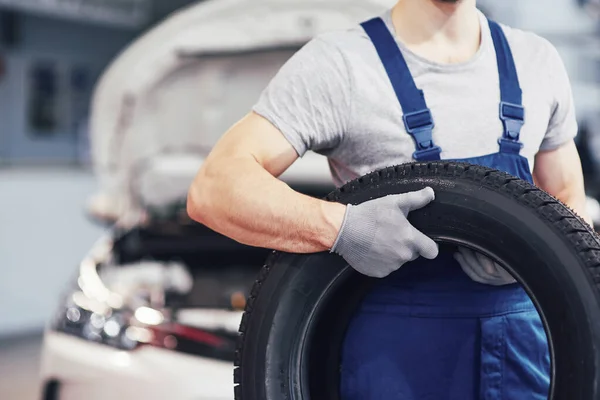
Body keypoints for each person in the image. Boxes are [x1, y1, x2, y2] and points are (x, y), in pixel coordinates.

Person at [187, 0, 591, 398]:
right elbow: (216, 187)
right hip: (395, 364)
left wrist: (523, 256)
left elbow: (567, 199)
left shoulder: (536, 60)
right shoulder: (341, 65)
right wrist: (342, 228)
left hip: (526, 357)